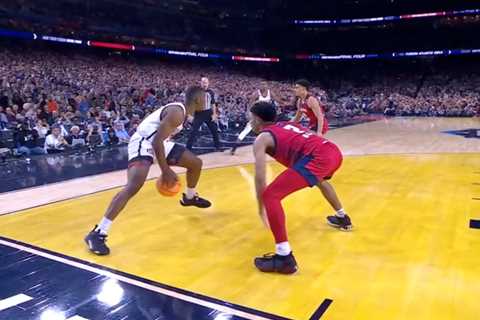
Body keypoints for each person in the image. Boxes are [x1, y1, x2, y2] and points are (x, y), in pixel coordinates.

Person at [84, 86, 212, 256]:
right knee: (134, 185)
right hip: (143, 143)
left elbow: (160, 141)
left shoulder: (183, 114)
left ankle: (189, 197)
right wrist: (165, 170)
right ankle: (98, 232)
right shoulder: (177, 113)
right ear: (197, 100)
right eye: (206, 98)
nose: (209, 101)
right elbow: (156, 142)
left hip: (157, 143)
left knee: (195, 163)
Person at [250, 102, 352, 275]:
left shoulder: (262, 138)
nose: (249, 121)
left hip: (318, 157)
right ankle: (343, 217)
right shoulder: (287, 124)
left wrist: (261, 209)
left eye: (250, 118)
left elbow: (260, 177)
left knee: (271, 195)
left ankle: (284, 258)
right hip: (333, 151)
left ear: (257, 120)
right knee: (320, 181)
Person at [186, 77, 221, 151]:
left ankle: (217, 147)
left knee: (214, 130)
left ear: (208, 83)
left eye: (206, 82)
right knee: (193, 131)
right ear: (200, 83)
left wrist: (214, 114)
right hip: (198, 113)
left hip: (208, 113)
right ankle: (188, 149)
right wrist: (190, 115)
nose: (205, 84)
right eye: (203, 82)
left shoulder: (211, 92)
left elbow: (213, 103)